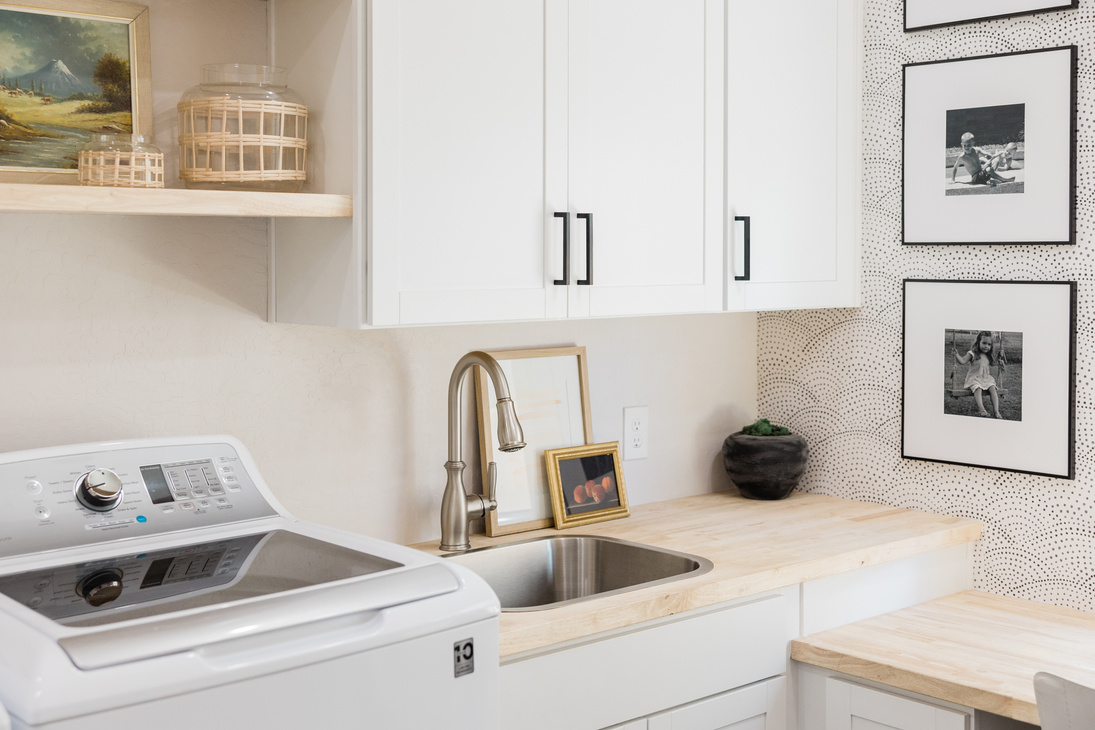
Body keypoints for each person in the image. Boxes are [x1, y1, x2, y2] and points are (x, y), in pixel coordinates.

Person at [954, 331, 1003, 419]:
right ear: (978, 342)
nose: (986, 346)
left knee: (993, 388)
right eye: (984, 343)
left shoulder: (988, 355)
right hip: (974, 379)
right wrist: (956, 355)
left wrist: (999, 361)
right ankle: (982, 410)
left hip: (986, 379)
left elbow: (993, 364)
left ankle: (996, 411)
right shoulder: (972, 353)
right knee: (978, 388)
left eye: (989, 344)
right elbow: (962, 361)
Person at [951, 133, 1015, 187]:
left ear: (973, 143)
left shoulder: (976, 150)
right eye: (964, 145)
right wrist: (953, 179)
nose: (967, 147)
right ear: (961, 144)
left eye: (969, 145)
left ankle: (989, 179)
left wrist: (988, 156)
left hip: (983, 172)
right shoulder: (962, 157)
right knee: (988, 169)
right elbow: (955, 168)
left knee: (996, 161)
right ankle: (1004, 179)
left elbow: (986, 154)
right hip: (975, 177)